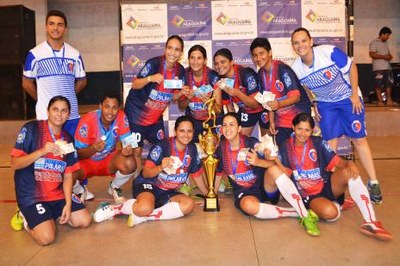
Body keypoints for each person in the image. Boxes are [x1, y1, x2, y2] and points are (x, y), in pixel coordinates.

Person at [290, 27, 383, 204]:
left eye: (303, 41)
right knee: (329, 144)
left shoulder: (328, 52)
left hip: (348, 99)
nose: (300, 45)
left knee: (359, 140)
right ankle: (331, 187)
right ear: (293, 46)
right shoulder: (296, 68)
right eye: (296, 43)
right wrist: (314, 102)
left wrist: (355, 95)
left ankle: (373, 182)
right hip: (326, 104)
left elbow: (352, 68)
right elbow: (307, 89)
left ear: (310, 42)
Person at [278, 113, 392, 241]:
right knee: (332, 214)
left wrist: (349, 163)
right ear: (293, 127)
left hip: (326, 184)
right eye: (299, 129)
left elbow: (337, 161)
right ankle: (336, 205)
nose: (303, 134)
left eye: (307, 130)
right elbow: (285, 174)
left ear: (312, 131)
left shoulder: (318, 142)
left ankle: (370, 221)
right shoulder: (285, 146)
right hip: (309, 195)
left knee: (350, 172)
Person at [214, 112, 320, 236]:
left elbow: (271, 164)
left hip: (265, 186)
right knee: (248, 206)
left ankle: (304, 216)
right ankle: (295, 212)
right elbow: (218, 173)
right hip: (246, 192)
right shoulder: (221, 148)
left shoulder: (251, 142)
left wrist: (258, 161)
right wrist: (211, 195)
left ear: (239, 128)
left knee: (274, 170)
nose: (227, 129)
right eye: (225, 125)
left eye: (232, 125)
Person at [92, 116, 209, 227]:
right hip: (149, 184)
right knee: (144, 208)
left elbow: (197, 175)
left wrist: (208, 195)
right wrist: (160, 167)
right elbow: (146, 172)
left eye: (189, 131)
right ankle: (115, 209)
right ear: (175, 131)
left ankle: (145, 217)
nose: (186, 135)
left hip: (169, 190)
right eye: (182, 131)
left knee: (189, 205)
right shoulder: (162, 146)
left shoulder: (193, 149)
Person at [10, 96, 91, 246]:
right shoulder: (31, 129)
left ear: (68, 115)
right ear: (47, 111)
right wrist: (41, 151)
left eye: (63, 111)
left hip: (57, 194)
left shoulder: (68, 139)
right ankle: (24, 215)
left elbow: (67, 175)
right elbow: (14, 163)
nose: (59, 114)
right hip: (33, 196)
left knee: (85, 220)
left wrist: (67, 203)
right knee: (47, 238)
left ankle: (50, 215)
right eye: (55, 109)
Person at [124, 35, 186, 179]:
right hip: (135, 115)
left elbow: (173, 97)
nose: (173, 52)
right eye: (170, 48)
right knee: (137, 151)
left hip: (155, 117)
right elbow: (135, 84)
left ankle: (160, 177)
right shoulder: (154, 63)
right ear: (165, 49)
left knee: (162, 147)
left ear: (181, 53)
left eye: (177, 49)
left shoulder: (180, 71)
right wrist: (150, 78)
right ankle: (138, 180)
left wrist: (182, 93)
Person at [22, 10, 87, 137]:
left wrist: (68, 96)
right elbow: (26, 83)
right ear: (46, 27)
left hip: (71, 115)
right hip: (46, 116)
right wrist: (42, 99)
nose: (55, 28)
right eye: (51, 24)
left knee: (71, 153)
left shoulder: (74, 54)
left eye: (60, 24)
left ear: (65, 29)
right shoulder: (35, 54)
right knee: (49, 153)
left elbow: (82, 81)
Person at [73, 92, 136, 204]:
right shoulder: (87, 121)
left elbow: (128, 143)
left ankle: (114, 187)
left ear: (119, 108)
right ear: (100, 106)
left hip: (108, 160)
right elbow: (79, 154)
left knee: (130, 163)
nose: (110, 112)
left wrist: (128, 150)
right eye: (107, 107)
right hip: (87, 162)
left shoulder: (122, 116)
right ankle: (80, 191)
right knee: (68, 173)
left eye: (114, 107)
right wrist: (94, 149)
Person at [250, 37, 311, 145]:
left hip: (299, 118)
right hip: (281, 121)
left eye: (261, 53)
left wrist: (279, 104)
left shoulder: (282, 69)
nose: (258, 58)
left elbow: (296, 97)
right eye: (255, 55)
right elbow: (269, 99)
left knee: (298, 153)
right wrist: (272, 121)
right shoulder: (260, 74)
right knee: (283, 154)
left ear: (270, 53)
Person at [213, 48, 264, 136]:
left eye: (223, 62)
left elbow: (257, 104)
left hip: (263, 107)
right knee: (239, 138)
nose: (219, 66)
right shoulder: (221, 80)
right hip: (246, 110)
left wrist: (238, 93)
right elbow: (229, 107)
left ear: (232, 62)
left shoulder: (246, 73)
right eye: (216, 64)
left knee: (267, 140)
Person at [178, 45, 222, 142]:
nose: (195, 62)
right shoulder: (184, 76)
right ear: (188, 60)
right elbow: (181, 106)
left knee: (213, 152)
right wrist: (188, 98)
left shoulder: (212, 76)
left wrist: (210, 103)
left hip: (212, 121)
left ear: (205, 60)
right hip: (193, 121)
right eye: (192, 58)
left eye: (199, 58)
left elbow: (218, 110)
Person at [369, 27, 397, 106]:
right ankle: (380, 101)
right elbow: (371, 54)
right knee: (378, 85)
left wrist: (390, 56)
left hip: (387, 68)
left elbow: (387, 54)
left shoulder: (385, 43)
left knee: (389, 85)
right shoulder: (374, 43)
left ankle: (389, 100)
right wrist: (384, 57)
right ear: (382, 34)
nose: (388, 37)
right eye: (387, 35)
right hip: (378, 68)